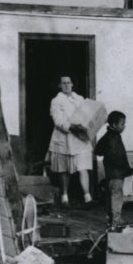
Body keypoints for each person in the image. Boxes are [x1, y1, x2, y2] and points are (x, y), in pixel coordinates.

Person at [47, 75, 93, 206]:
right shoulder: (56, 101)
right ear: (59, 86)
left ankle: (87, 197)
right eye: (63, 83)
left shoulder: (80, 99)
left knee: (83, 167)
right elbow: (58, 120)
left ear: (73, 84)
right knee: (64, 169)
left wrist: (86, 125)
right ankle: (64, 196)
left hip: (80, 138)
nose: (66, 85)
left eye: (69, 83)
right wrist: (71, 127)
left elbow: (87, 115)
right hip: (64, 137)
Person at [94, 110, 133, 230]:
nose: (124, 126)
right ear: (113, 124)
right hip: (116, 173)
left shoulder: (107, 136)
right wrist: (125, 168)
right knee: (117, 196)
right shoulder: (113, 138)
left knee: (111, 196)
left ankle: (111, 220)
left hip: (110, 173)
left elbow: (98, 150)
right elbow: (114, 156)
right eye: (122, 124)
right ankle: (116, 222)